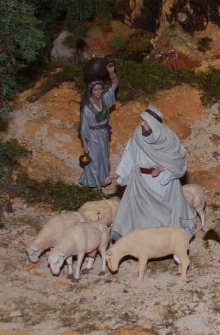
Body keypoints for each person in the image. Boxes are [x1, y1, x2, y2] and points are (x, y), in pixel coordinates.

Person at [107, 106, 196, 241]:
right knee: (139, 213)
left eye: (146, 122)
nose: (142, 124)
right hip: (140, 181)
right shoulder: (138, 135)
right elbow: (129, 155)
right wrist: (119, 173)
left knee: (163, 214)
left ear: (154, 124)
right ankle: (143, 242)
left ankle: (164, 242)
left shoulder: (168, 138)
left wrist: (163, 169)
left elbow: (177, 159)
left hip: (161, 182)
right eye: (142, 121)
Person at [78, 60, 118, 191]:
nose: (99, 91)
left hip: (104, 134)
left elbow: (114, 84)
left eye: (100, 89)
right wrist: (85, 144)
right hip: (93, 135)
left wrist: (111, 73)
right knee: (94, 159)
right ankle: (95, 184)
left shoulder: (105, 99)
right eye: (96, 90)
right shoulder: (87, 108)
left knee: (104, 157)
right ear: (91, 91)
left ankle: (103, 179)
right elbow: (83, 128)